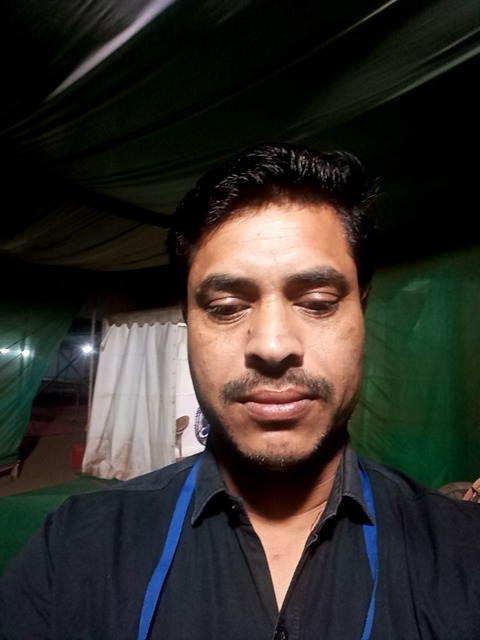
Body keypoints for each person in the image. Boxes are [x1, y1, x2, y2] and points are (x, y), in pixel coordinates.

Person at [1, 143, 480, 640]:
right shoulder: (74, 548)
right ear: (188, 324)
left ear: (361, 310)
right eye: (227, 307)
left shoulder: (465, 552)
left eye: (317, 302)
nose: (272, 345)